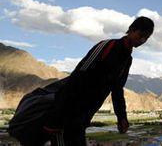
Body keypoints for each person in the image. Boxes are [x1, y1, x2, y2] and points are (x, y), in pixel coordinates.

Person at [9, 16, 154, 146]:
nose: (142, 41)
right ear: (131, 29)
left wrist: (122, 117)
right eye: (141, 35)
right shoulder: (107, 46)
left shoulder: (127, 60)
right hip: (65, 115)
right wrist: (56, 119)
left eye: (146, 38)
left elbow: (117, 90)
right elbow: (77, 77)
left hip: (81, 118)